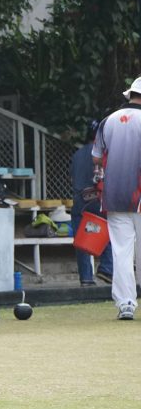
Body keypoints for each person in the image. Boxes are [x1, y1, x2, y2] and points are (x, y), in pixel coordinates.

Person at [92, 78, 141, 320]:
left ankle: (126, 304)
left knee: (121, 252)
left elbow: (97, 158)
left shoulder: (107, 121)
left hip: (114, 195)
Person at [71, 119, 113, 286]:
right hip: (99, 199)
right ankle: (107, 268)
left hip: (81, 201)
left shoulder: (77, 154)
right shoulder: (105, 153)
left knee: (82, 240)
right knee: (110, 232)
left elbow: (73, 178)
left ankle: (86, 278)